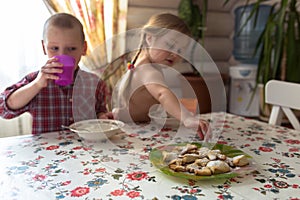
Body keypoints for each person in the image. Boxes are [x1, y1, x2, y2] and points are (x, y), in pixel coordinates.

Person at [0, 13, 112, 134]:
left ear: (83, 48)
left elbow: (100, 113)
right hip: (45, 151)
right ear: (44, 48)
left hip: (84, 149)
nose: (62, 55)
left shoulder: (96, 84)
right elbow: (4, 109)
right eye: (54, 48)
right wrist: (36, 85)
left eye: (71, 49)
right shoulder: (35, 81)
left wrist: (103, 118)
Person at [112, 13, 210, 140]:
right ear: (150, 38)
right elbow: (162, 94)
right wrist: (187, 118)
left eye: (180, 51)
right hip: (133, 129)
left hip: (131, 120)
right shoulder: (148, 70)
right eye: (170, 45)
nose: (175, 54)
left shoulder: (141, 62)